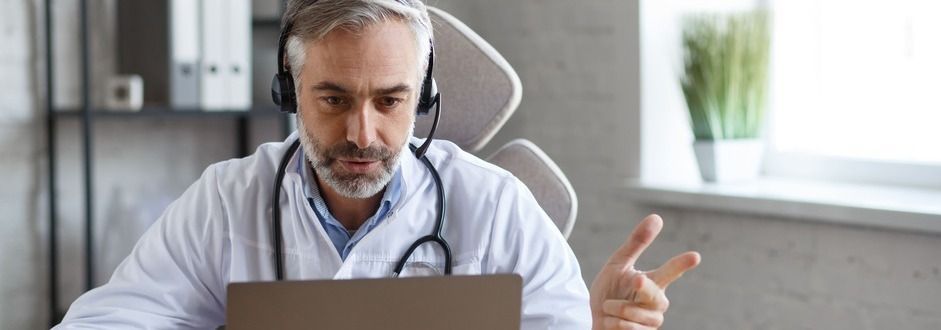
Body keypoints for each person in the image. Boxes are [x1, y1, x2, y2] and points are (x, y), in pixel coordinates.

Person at [55, 1, 700, 329]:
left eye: (390, 101)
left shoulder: (497, 208)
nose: (361, 134)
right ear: (289, 91)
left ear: (424, 97)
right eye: (333, 99)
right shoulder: (229, 201)